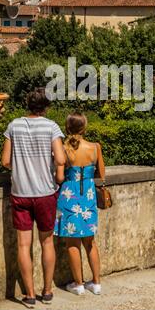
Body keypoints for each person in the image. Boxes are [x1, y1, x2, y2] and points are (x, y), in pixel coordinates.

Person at [1, 89, 65, 308]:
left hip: (20, 193)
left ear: (27, 104)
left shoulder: (14, 126)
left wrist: (21, 166)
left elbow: (5, 160)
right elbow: (61, 157)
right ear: (46, 107)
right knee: (47, 242)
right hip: (45, 193)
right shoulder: (51, 127)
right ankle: (46, 291)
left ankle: (28, 295)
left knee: (22, 245)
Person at [54, 112, 105, 296]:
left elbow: (59, 178)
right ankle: (97, 283)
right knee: (90, 241)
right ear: (84, 127)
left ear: (67, 128)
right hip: (88, 194)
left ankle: (79, 284)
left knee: (72, 242)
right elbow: (101, 173)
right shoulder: (95, 147)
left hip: (69, 196)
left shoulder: (64, 149)